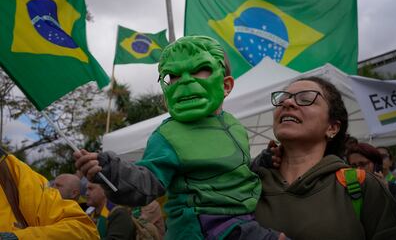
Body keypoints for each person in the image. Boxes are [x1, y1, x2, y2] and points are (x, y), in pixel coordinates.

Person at [75, 36, 285, 239]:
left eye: (198, 70)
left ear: (226, 85)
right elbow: (147, 183)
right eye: (172, 75)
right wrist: (111, 171)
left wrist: (263, 162)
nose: (183, 81)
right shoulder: (168, 135)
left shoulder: (235, 126)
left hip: (245, 219)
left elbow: (238, 172)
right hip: (202, 226)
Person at [252, 76, 396, 240]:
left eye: (306, 99)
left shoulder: (361, 186)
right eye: (282, 99)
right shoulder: (249, 182)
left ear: (332, 128)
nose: (288, 103)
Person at [0, 148, 99, 239]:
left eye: (59, 185)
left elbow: (86, 230)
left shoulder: (12, 172)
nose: (53, 188)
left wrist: (17, 237)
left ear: (74, 193)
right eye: (54, 184)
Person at [346, 142, 396, 216]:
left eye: (363, 164)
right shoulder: (349, 194)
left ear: (376, 166)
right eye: (353, 166)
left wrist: (387, 193)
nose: (358, 170)